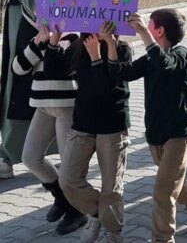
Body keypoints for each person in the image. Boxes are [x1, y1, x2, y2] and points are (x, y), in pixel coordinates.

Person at [107, 10, 187, 241]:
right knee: (175, 182)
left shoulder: (181, 54)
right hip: (156, 134)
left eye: (149, 24)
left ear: (159, 30)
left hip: (178, 133)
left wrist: (143, 33)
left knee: (163, 193)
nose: (145, 26)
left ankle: (162, 239)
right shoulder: (150, 57)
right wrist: (111, 45)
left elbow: (165, 63)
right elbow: (119, 74)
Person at [47, 24, 133, 242]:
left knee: (111, 186)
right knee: (68, 180)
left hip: (112, 126)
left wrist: (96, 55)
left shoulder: (121, 49)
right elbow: (53, 71)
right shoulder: (77, 47)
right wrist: (54, 41)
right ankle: (97, 214)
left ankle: (113, 232)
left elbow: (107, 88)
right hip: (83, 125)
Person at [16, 25, 84, 235]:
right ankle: (61, 196)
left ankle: (77, 210)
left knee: (68, 164)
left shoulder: (76, 38)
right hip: (42, 106)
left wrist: (55, 40)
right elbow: (18, 68)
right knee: (30, 157)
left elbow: (61, 68)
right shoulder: (39, 38)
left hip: (67, 106)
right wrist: (37, 43)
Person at [0, 0, 43, 179]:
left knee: (35, 107)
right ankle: (8, 154)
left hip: (39, 58)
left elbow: (38, 11)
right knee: (12, 102)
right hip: (15, 55)